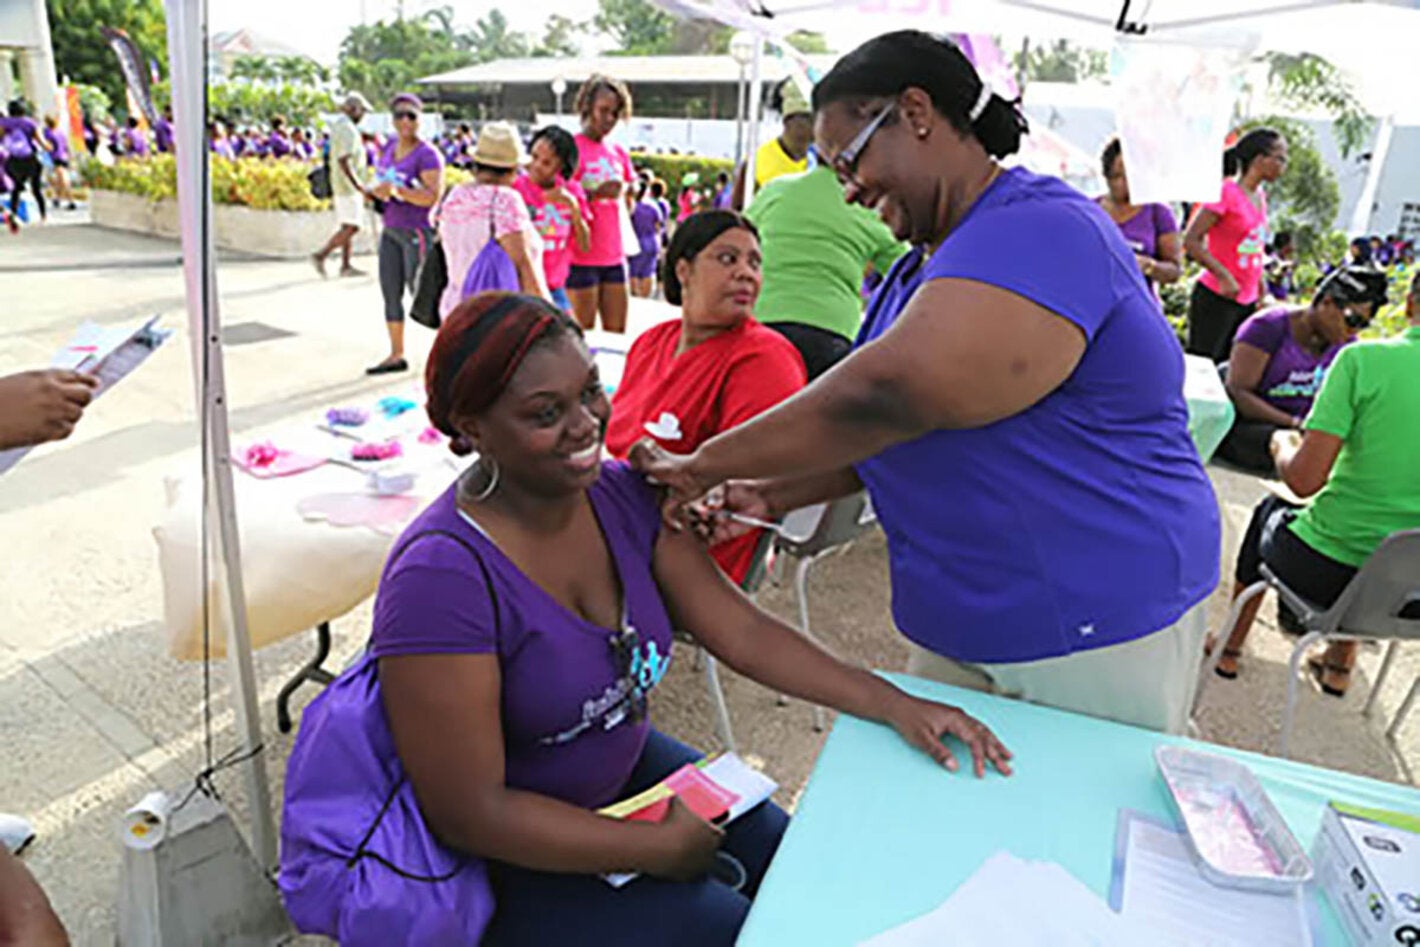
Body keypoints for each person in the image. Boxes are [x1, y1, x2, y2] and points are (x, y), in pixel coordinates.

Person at [350, 292, 1009, 945]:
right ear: (471, 428)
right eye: (546, 412)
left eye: (590, 392)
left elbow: (741, 631)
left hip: (620, 772)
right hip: (505, 857)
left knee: (801, 868)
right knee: (729, 930)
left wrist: (893, 702)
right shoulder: (441, 578)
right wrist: (649, 848)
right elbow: (471, 812)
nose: (585, 424)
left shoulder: (619, 496)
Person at [632, 31, 1222, 735]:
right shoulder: (919, 269)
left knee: (1072, 801)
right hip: (974, 611)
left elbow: (888, 396)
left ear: (916, 112)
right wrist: (773, 493)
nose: (848, 189)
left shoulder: (1043, 227)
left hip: (1095, 611)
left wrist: (701, 463)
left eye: (850, 160)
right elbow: (894, 434)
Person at [1210, 273, 1420, 692]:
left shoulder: (1363, 361)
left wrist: (1281, 444)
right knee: (1385, 546)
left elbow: (1304, 482)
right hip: (1409, 596)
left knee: (1270, 510)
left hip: (1324, 575)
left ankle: (1229, 647)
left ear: (1411, 303)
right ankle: (1339, 666)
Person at [607, 211, 806, 583]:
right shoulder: (652, 342)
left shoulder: (764, 358)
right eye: (728, 259)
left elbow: (747, 483)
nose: (746, 273)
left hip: (681, 555)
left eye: (755, 263)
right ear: (684, 270)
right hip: (615, 522)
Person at [744, 160, 907, 380]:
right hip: (831, 333)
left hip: (762, 323)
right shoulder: (868, 209)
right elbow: (910, 273)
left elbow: (738, 237)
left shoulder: (775, 190)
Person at [1216, 266, 1386, 474]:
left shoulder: (1346, 347)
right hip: (1253, 427)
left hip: (1305, 434)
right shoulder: (1267, 327)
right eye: (1353, 320)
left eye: (1363, 325)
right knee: (1285, 444)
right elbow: (1238, 391)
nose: (1353, 331)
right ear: (1327, 302)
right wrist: (1294, 423)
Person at [1183, 128, 1288, 363]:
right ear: (1260, 159)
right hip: (1217, 297)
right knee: (1203, 366)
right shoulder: (1226, 192)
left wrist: (1262, 290)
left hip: (1246, 300)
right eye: (1280, 158)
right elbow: (1191, 240)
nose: (1283, 166)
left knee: (1231, 367)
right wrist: (1223, 276)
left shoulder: (1259, 196)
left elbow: (1254, 248)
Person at [435, 122, 547, 320]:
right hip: (495, 318)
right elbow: (524, 268)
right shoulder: (504, 200)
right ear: (513, 169)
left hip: (455, 311)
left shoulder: (454, 196)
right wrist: (552, 318)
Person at [367, 92, 444, 375]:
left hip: (417, 231)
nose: (405, 121)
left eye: (411, 115)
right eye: (399, 115)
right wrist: (376, 192)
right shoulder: (388, 148)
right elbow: (381, 180)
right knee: (390, 292)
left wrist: (398, 192)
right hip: (391, 229)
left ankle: (447, 350)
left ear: (421, 118)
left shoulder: (427, 154)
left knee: (422, 293)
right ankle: (396, 354)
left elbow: (432, 196)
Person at [567, 74, 636, 333]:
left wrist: (629, 194)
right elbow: (556, 201)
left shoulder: (618, 152)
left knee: (616, 336)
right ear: (587, 107)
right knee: (581, 336)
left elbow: (628, 202)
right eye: (603, 111)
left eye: (615, 113)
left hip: (614, 256)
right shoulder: (571, 149)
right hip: (581, 257)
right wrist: (594, 195)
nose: (609, 119)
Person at [513, 126, 591, 312]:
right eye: (534, 157)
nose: (536, 166)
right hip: (520, 287)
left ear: (561, 166)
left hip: (554, 287)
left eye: (546, 163)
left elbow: (584, 246)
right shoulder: (516, 189)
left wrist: (573, 207)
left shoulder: (572, 192)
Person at [1096, 137, 1182, 294]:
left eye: (1130, 177)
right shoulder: (1090, 209)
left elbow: (1174, 272)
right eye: (1116, 176)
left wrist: (1148, 266)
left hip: (1137, 299)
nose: (1122, 183)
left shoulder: (1158, 212)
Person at [311, 92, 372, 280]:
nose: (363, 115)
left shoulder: (341, 126)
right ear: (353, 109)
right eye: (361, 111)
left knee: (347, 225)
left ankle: (346, 265)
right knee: (353, 227)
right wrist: (358, 185)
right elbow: (344, 160)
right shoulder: (347, 129)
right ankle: (321, 255)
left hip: (342, 185)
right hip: (348, 187)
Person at [732, 80, 813, 209]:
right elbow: (738, 208)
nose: (811, 126)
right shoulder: (757, 160)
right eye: (805, 119)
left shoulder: (821, 161)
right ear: (787, 121)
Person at [2, 101, 46, 224]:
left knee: (15, 189)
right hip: (30, 159)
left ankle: (13, 214)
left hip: (13, 160)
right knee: (36, 189)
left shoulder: (4, 123)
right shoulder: (30, 122)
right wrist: (48, 147)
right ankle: (43, 216)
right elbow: (41, 141)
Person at [627, 181, 665, 299]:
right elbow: (658, 226)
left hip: (636, 241)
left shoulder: (632, 206)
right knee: (648, 271)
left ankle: (635, 296)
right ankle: (644, 298)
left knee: (633, 271)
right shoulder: (653, 206)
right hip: (652, 241)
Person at [40, 116, 76, 211]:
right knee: (61, 180)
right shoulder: (60, 132)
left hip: (55, 158)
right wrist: (70, 157)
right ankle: (57, 199)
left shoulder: (47, 132)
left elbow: (46, 145)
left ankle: (71, 201)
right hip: (64, 157)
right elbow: (66, 145)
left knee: (63, 180)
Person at [1263, 230, 1295, 303]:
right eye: (1291, 243)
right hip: (1272, 300)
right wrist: (1285, 268)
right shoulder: (1272, 259)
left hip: (1283, 299)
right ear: (1286, 245)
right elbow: (1274, 279)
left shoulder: (1286, 260)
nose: (1293, 246)